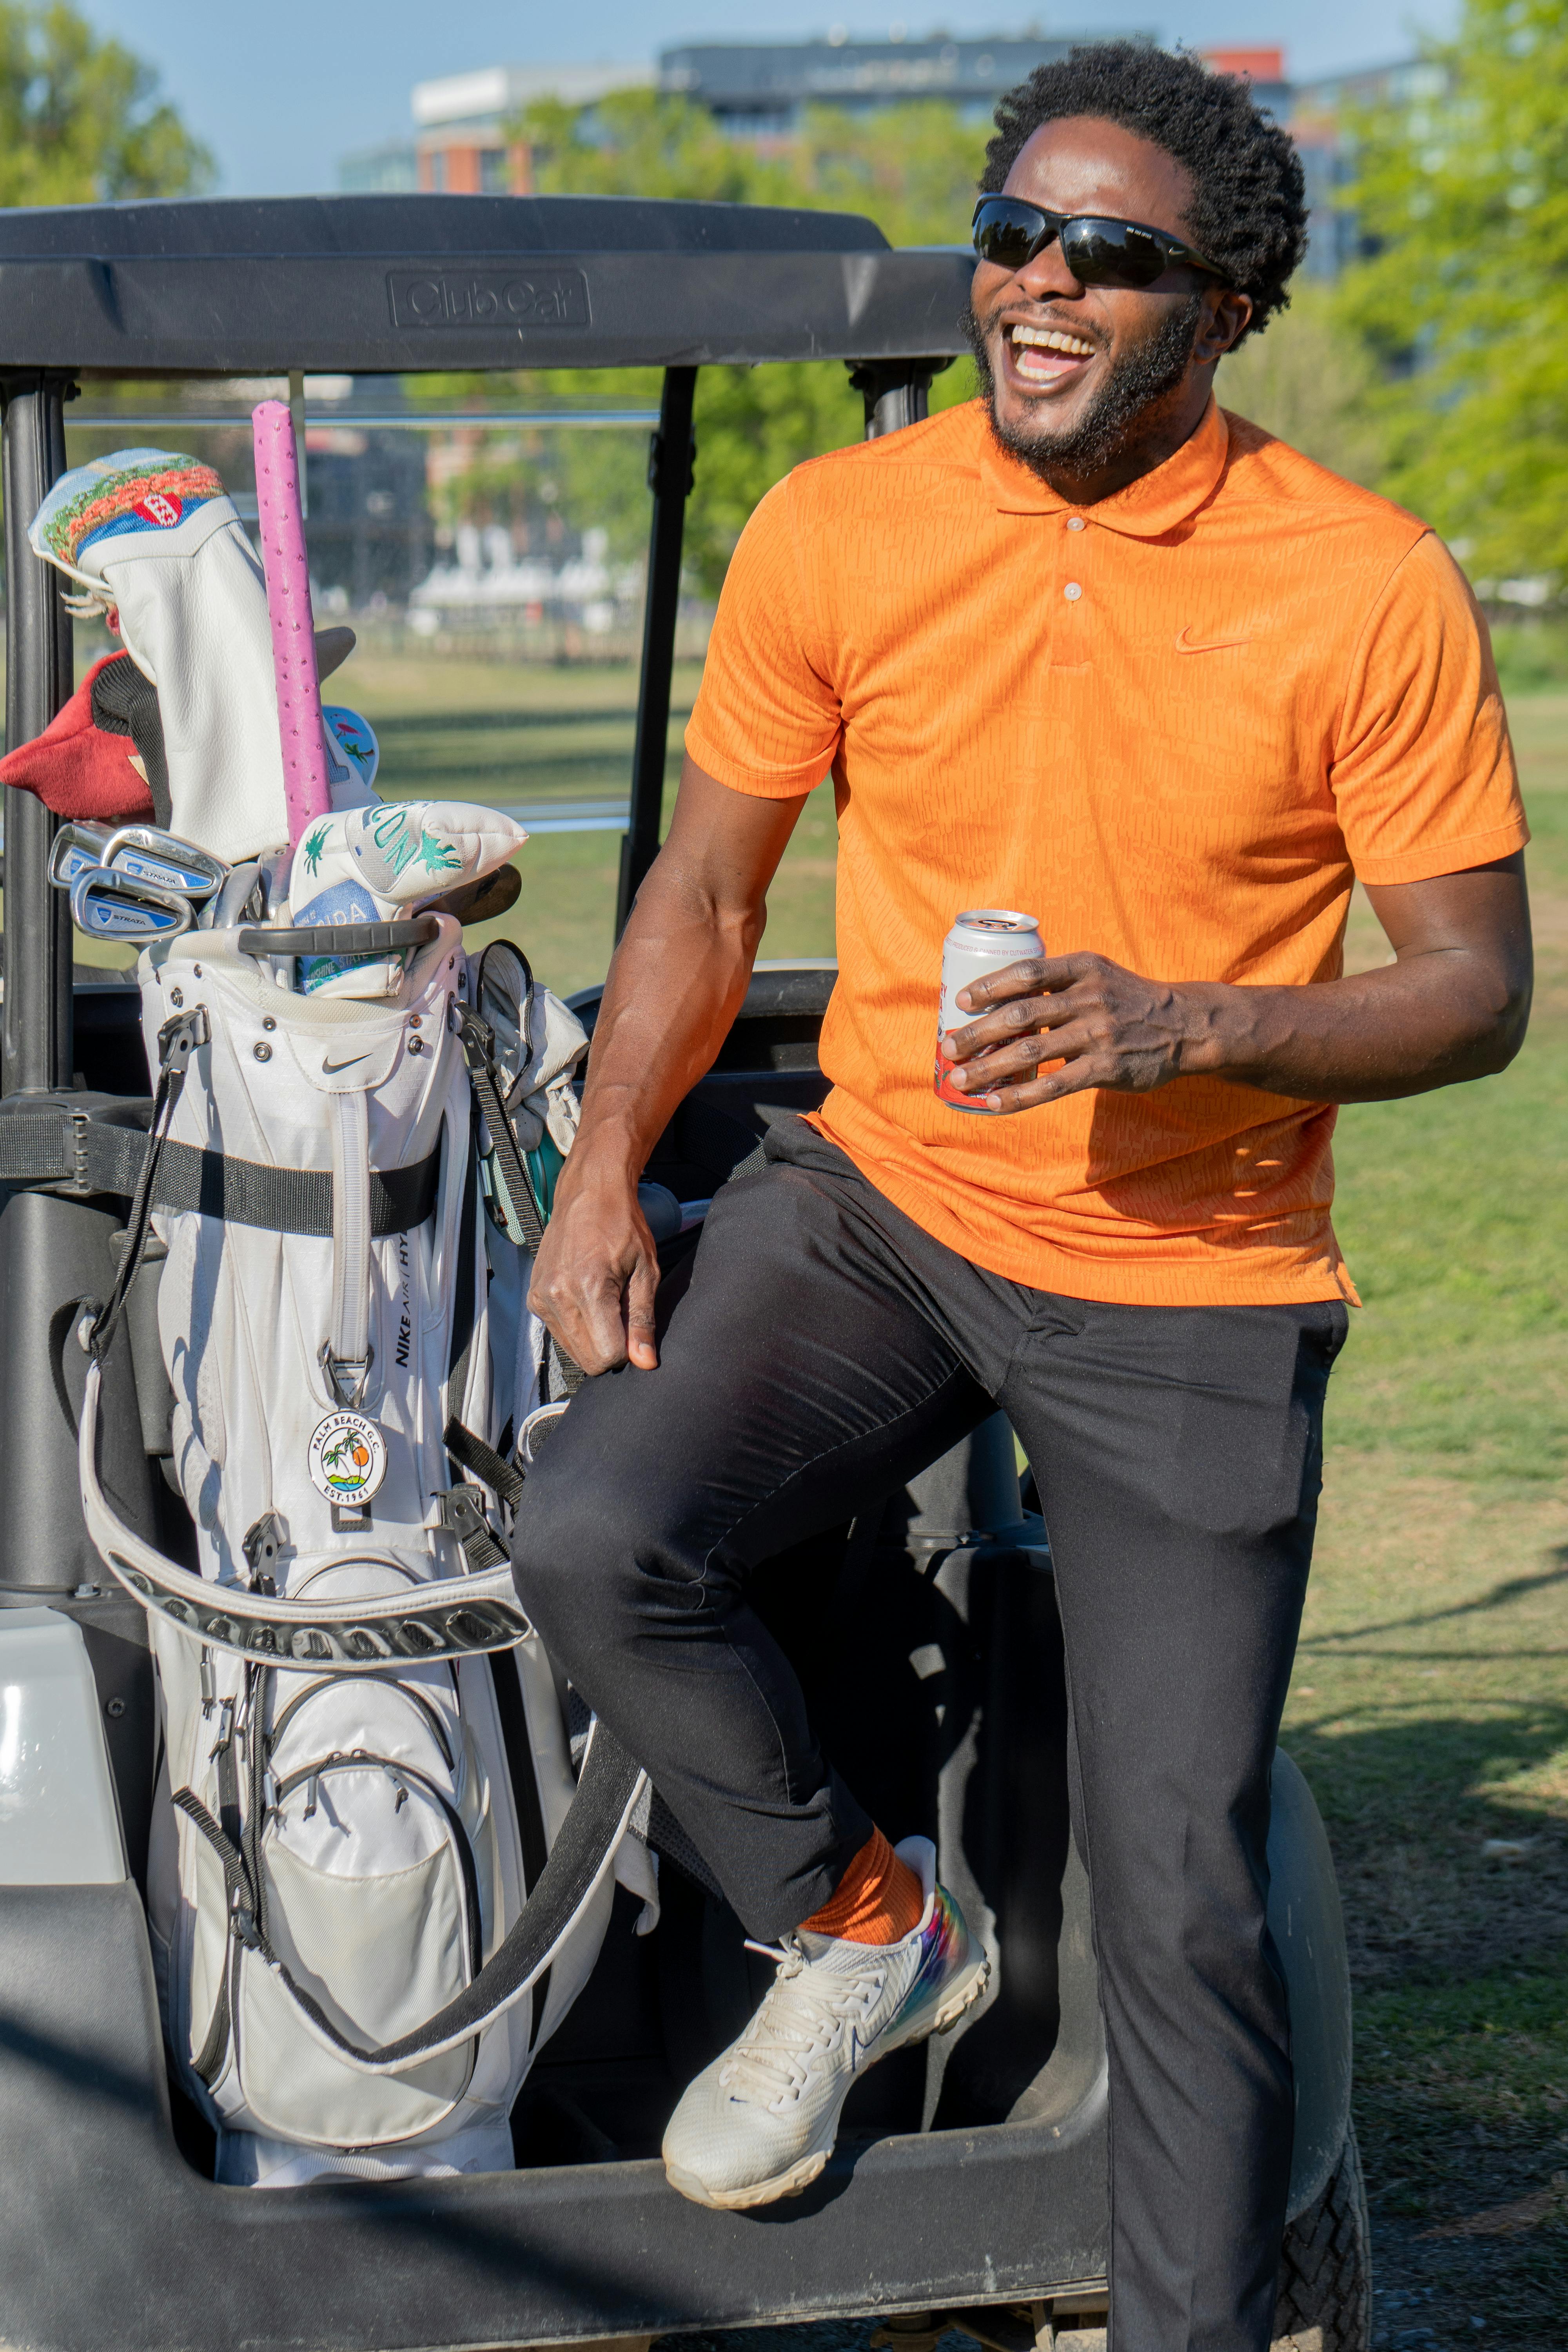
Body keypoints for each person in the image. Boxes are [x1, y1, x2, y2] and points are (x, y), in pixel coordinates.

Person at [512, 39, 1531, 2351]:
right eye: (1014, 236)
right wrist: (599, 1171)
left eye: (1114, 255)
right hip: (883, 1204)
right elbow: (703, 884)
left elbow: (1474, 996)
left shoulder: (1361, 585)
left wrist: (1188, 1024)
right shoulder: (839, 527)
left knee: (1183, 1896)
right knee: (591, 1531)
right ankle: (863, 1927)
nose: (1042, 285)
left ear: (1227, 304)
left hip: (1195, 1274)